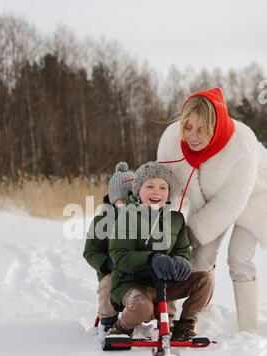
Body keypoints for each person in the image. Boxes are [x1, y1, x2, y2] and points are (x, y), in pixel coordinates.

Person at [157, 88, 267, 334]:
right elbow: (168, 189)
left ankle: (248, 326)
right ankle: (203, 314)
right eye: (188, 127)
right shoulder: (171, 142)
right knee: (200, 258)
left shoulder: (241, 145)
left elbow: (230, 203)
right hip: (208, 200)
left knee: (238, 257)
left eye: (201, 130)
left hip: (256, 196)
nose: (192, 136)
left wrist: (190, 234)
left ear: (214, 126)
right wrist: (163, 231)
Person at [108, 162, 214, 341]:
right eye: (149, 186)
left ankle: (185, 326)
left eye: (163, 187)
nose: (156, 191)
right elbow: (120, 255)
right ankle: (121, 328)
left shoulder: (176, 220)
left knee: (206, 280)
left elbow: (182, 249)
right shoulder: (127, 216)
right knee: (143, 306)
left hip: (165, 284)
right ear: (138, 190)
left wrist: (182, 260)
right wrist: (152, 259)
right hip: (133, 284)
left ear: (169, 193)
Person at [83, 162, 135, 332]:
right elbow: (90, 251)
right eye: (122, 199)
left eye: (132, 197)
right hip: (112, 271)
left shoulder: (142, 218)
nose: (127, 202)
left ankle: (162, 318)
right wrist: (106, 264)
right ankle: (108, 321)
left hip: (137, 270)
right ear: (113, 200)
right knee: (107, 285)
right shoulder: (102, 222)